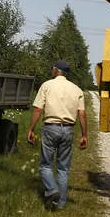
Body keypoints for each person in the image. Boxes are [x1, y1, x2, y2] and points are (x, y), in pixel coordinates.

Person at [26, 60, 88, 209]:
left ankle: (52, 190)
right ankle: (61, 204)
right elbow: (82, 114)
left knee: (45, 165)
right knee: (63, 168)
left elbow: (38, 110)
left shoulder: (47, 85)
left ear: (55, 70)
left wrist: (31, 129)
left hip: (51, 128)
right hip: (68, 130)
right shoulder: (77, 89)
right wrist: (84, 135)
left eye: (52, 69)